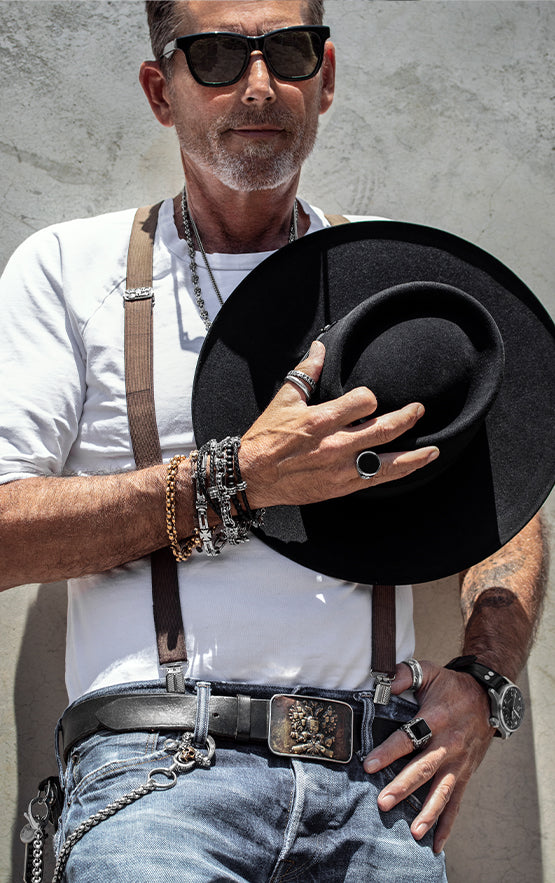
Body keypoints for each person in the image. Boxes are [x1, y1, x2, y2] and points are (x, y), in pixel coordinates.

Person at [0, 1, 547, 881]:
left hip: (378, 787)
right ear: (159, 89)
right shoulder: (70, 270)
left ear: (324, 77)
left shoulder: (393, 283)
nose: (258, 85)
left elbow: (507, 499)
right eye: (215, 56)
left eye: (288, 51)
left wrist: (484, 679)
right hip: (155, 776)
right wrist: (233, 478)